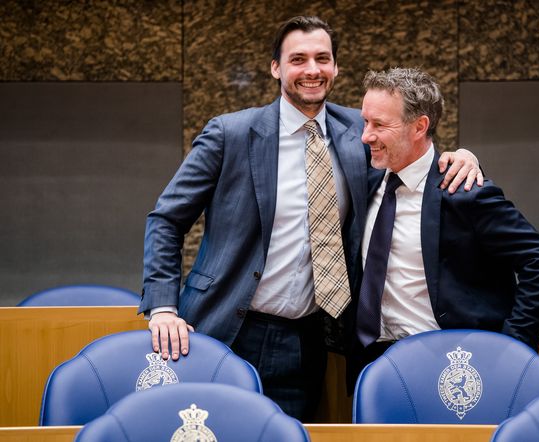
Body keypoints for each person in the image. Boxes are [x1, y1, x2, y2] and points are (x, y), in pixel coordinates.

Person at [139, 17, 482, 421]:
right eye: (298, 59)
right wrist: (162, 307)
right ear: (276, 68)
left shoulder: (359, 130)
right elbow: (166, 219)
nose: (312, 70)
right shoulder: (230, 133)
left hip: (305, 339)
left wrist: (459, 157)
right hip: (223, 326)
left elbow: (409, 147)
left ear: (336, 67)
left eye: (323, 58)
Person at [349, 67, 539, 387]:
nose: (366, 135)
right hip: (375, 364)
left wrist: (515, 345)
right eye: (365, 121)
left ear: (419, 126)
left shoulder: (464, 191)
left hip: (449, 363)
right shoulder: (366, 178)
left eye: (379, 125)